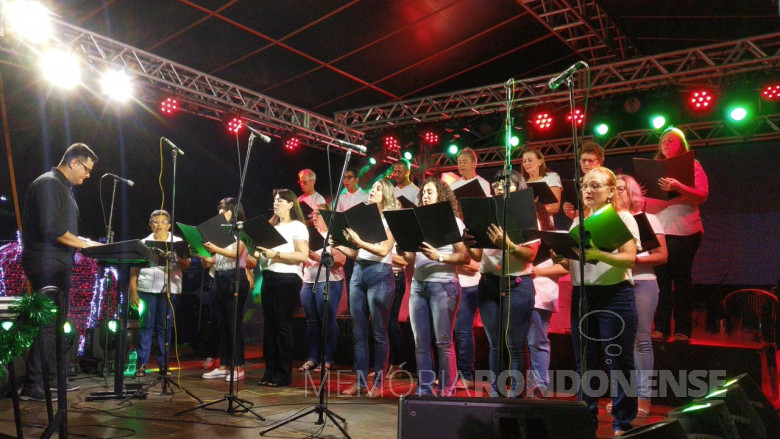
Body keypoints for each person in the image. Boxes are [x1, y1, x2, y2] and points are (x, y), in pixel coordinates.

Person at [548, 167, 640, 436]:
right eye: (585, 186)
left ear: (611, 191)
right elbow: (573, 264)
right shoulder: (578, 222)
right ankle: (585, 417)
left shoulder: (623, 217)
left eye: (595, 186)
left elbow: (629, 258)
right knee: (584, 362)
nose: (588, 191)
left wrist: (599, 253)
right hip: (583, 296)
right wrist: (559, 257)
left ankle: (622, 422)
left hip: (615, 294)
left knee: (618, 361)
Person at [20, 142, 100, 401]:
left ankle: (49, 381)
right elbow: (49, 227)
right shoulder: (49, 183)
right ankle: (33, 386)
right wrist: (84, 244)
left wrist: (84, 240)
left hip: (58, 262)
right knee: (46, 325)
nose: (88, 175)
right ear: (74, 162)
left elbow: (62, 228)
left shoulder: (62, 187)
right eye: (87, 169)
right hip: (45, 263)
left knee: (55, 324)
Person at [462, 170, 539, 398]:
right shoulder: (487, 212)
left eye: (506, 184)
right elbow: (477, 257)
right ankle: (496, 395)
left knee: (515, 345)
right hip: (488, 284)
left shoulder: (526, 213)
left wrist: (508, 244)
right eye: (496, 184)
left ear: (518, 188)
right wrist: (468, 244)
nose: (499, 187)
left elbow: (531, 255)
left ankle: (515, 397)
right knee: (495, 344)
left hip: (517, 285)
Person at [397, 178, 470, 396]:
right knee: (420, 341)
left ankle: (447, 390)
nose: (425, 196)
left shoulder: (453, 221)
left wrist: (439, 256)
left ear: (441, 195)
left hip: (443, 284)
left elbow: (465, 257)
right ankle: (424, 390)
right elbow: (411, 258)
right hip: (419, 284)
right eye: (423, 193)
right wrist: (403, 250)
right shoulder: (417, 222)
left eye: (429, 192)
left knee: (443, 341)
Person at [333, 179, 398, 398]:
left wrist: (359, 242)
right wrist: (342, 245)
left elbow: (383, 250)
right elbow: (358, 253)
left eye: (378, 189)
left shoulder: (389, 219)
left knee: (379, 331)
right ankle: (360, 381)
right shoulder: (364, 218)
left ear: (386, 194)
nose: (372, 191)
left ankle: (378, 384)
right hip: (359, 271)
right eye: (372, 188)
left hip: (380, 273)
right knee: (358, 332)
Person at [611, 174, 667, 416]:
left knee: (641, 340)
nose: (618, 193)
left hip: (643, 282)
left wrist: (635, 259)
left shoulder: (649, 219)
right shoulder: (609, 221)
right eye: (615, 189)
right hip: (616, 283)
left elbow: (663, 256)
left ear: (633, 192)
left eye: (623, 189)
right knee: (617, 343)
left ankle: (644, 397)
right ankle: (622, 397)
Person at [645, 127, 708, 342]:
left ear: (681, 144)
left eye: (671, 140)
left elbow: (702, 194)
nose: (666, 143)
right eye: (663, 140)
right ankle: (661, 327)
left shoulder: (692, 164)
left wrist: (679, 186)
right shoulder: (653, 169)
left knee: (681, 280)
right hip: (660, 230)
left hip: (685, 230)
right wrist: (643, 195)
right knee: (661, 280)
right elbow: (647, 205)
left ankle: (682, 329)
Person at [256, 189, 309, 387]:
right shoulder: (272, 227)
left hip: (287, 278)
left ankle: (283, 373)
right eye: (275, 200)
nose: (276, 203)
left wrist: (275, 255)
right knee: (269, 327)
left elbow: (302, 255)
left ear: (290, 204)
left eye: (280, 200)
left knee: (282, 326)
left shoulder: (298, 226)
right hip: (269, 276)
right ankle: (269, 371)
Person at [129, 210, 190, 377]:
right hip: (146, 289)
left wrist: (176, 258)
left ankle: (164, 364)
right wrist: (133, 291)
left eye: (163, 222)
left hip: (169, 290)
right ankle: (142, 364)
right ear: (150, 225)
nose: (160, 226)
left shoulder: (177, 242)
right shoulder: (143, 243)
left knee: (165, 327)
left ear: (169, 225)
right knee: (146, 326)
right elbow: (134, 270)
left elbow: (186, 265)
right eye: (156, 222)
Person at [199, 198, 250, 382]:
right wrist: (202, 253)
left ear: (233, 211)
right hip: (220, 276)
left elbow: (236, 253)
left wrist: (215, 249)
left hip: (234, 276)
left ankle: (238, 366)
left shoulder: (241, 228)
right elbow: (217, 259)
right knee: (220, 323)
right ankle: (224, 365)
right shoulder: (220, 230)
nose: (220, 212)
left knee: (233, 324)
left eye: (224, 209)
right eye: (219, 208)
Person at [298, 204, 344, 373]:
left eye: (318, 214)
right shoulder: (307, 234)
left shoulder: (334, 236)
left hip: (329, 281)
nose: (314, 217)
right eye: (313, 214)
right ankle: (312, 357)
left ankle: (327, 359)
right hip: (308, 280)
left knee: (327, 321)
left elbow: (340, 260)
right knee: (311, 322)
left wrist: (316, 256)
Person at [563, 142, 605, 219]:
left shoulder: (606, 181)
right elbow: (575, 215)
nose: (586, 164)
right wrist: (571, 212)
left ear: (599, 162)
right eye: (583, 160)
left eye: (590, 161)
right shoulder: (576, 182)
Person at [521, 148, 562, 218]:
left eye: (530, 160)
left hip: (545, 223)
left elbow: (555, 207)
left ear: (540, 162)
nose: (526, 164)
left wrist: (533, 207)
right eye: (524, 161)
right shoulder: (522, 182)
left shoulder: (551, 177)